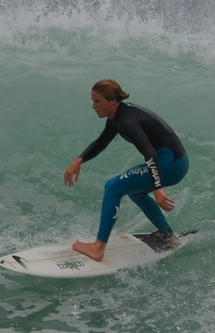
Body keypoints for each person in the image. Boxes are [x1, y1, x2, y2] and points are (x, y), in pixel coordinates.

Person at [62, 78, 188, 261]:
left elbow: (149, 153)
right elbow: (102, 141)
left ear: (112, 101)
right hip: (179, 162)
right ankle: (167, 235)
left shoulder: (127, 121)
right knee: (135, 192)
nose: (93, 106)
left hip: (169, 164)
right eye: (93, 100)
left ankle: (98, 248)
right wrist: (79, 160)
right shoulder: (118, 115)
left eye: (98, 101)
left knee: (113, 187)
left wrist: (158, 188)